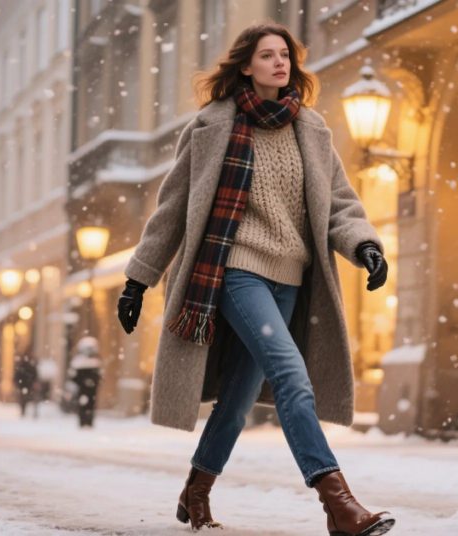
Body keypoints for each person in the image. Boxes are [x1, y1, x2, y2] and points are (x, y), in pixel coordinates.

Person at [116, 23, 393, 536]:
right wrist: (139, 278)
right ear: (246, 65)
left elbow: (339, 205)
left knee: (240, 399)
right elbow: (173, 208)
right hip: (236, 270)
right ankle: (338, 503)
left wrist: (365, 245)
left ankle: (195, 491)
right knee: (291, 376)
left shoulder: (310, 130)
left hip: (290, 278)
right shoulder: (212, 126)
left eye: (284, 55)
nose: (279, 63)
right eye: (267, 55)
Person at [68, 336, 102, 428]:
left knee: (89, 405)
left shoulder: (95, 362)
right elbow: (74, 376)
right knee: (84, 405)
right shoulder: (80, 362)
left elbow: (99, 377)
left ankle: (88, 421)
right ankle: (84, 421)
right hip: (84, 389)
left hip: (89, 390)